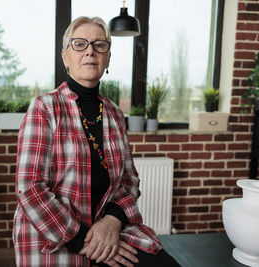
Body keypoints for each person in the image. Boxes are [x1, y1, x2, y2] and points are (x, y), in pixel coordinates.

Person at [13, 16, 180, 267]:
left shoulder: (114, 113)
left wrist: (112, 221)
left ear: (108, 58)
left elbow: (129, 181)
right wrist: (84, 241)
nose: (90, 51)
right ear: (65, 56)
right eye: (79, 44)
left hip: (109, 231)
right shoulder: (44, 108)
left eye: (99, 45)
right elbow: (30, 187)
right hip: (56, 239)